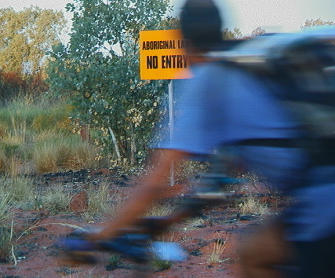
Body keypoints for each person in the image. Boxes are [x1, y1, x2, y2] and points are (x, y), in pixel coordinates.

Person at [88, 1, 335, 277]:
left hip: (324, 207)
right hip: (320, 197)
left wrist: (97, 238)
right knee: (254, 252)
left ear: (183, 41)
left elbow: (153, 184)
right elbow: (217, 185)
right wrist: (168, 221)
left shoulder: (207, 81)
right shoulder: (243, 66)